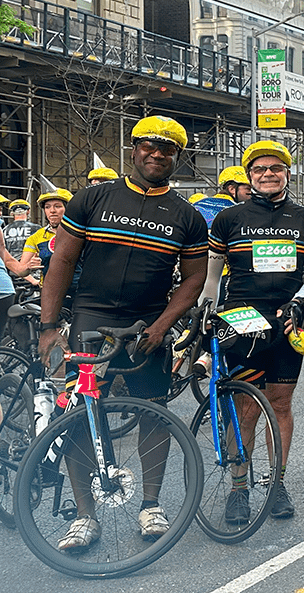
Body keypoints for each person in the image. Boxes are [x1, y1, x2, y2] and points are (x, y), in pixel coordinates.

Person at [37, 115, 208, 550]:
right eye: (149, 145)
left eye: (167, 149)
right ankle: (84, 515)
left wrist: (163, 325)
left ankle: (150, 505)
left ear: (177, 157)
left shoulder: (187, 216)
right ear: (133, 149)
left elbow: (193, 280)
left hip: (147, 324)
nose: (157, 154)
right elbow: (62, 263)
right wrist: (49, 327)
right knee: (82, 414)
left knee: (153, 411)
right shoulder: (94, 198)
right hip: (91, 318)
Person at [202, 139, 304, 521]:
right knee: (245, 408)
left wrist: (303, 299)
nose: (268, 174)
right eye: (259, 170)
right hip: (242, 323)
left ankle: (277, 484)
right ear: (249, 176)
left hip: (286, 322)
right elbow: (211, 276)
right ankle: (239, 489)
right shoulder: (229, 218)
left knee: (281, 404)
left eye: (275, 168)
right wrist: (206, 312)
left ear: (286, 173)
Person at [21, 188, 72, 277]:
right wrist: (28, 266)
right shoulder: (36, 237)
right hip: (49, 289)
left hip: (81, 289)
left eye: (57, 206)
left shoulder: (82, 233)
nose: (52, 211)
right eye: (47, 207)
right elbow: (21, 271)